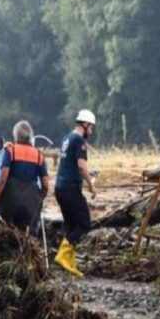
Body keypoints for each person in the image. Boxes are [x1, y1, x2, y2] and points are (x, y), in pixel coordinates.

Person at [54, 110, 97, 278]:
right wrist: (91, 185)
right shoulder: (79, 141)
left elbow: (71, 165)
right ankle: (63, 254)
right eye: (90, 127)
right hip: (71, 189)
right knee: (84, 223)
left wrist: (87, 174)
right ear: (85, 125)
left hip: (60, 188)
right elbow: (81, 166)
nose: (91, 132)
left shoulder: (67, 138)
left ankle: (70, 262)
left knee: (72, 225)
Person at [0, 121, 49, 234]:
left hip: (9, 205)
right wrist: (39, 199)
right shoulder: (39, 156)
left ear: (16, 135)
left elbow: (2, 179)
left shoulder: (11, 151)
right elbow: (45, 185)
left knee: (6, 233)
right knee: (28, 235)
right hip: (29, 206)